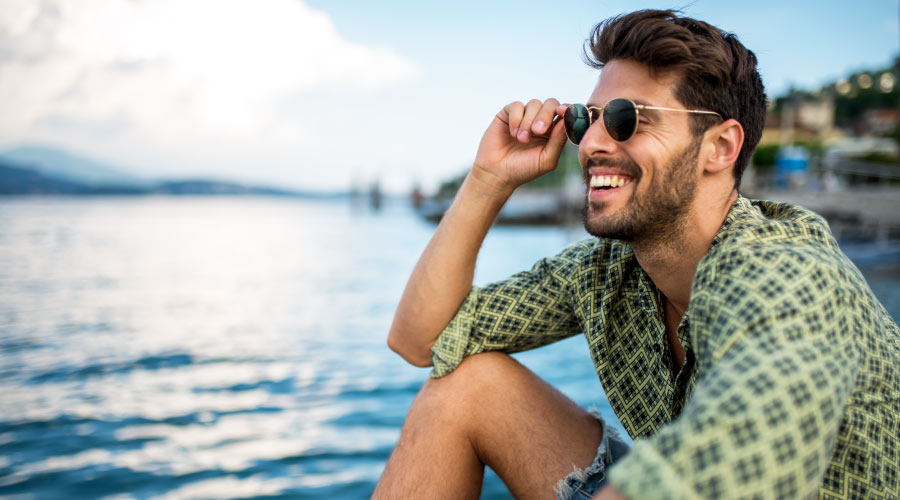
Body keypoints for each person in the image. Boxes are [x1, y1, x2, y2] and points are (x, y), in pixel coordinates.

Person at [373, 9, 900, 500]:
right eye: (587, 119)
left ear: (720, 147)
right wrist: (488, 180)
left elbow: (752, 443)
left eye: (627, 118)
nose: (593, 143)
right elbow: (420, 339)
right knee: (466, 386)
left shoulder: (784, 269)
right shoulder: (606, 272)